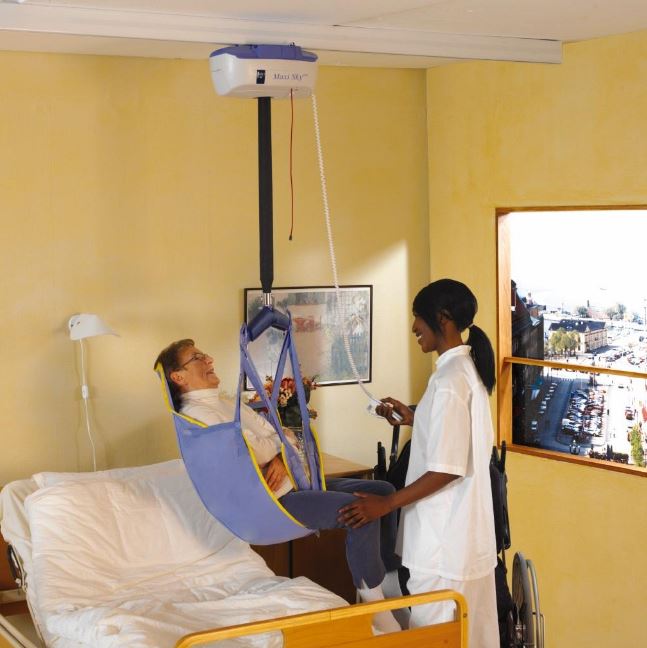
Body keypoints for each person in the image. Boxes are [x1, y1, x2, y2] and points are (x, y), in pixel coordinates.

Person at [155, 339, 403, 633]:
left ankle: (387, 584)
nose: (209, 359)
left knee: (383, 493)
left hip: (294, 481)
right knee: (362, 512)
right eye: (197, 357)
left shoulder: (225, 403)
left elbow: (283, 434)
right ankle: (378, 612)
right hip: (273, 503)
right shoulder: (202, 417)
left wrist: (280, 457)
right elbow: (260, 448)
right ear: (178, 376)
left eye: (204, 354)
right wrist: (281, 451)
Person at [338, 279, 498, 648]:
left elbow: (448, 468)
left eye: (418, 318)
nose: (413, 327)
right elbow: (458, 436)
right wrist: (417, 416)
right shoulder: (464, 371)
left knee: (435, 638)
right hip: (465, 543)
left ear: (442, 319)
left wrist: (387, 504)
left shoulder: (449, 381)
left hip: (444, 548)